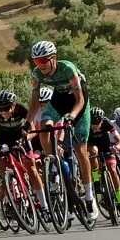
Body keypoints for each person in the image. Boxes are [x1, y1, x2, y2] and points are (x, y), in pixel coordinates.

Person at [25, 41, 97, 221]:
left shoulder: (67, 69)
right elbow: (34, 102)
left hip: (78, 101)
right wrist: (27, 122)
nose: (39, 65)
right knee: (44, 123)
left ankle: (89, 197)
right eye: (36, 61)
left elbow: (80, 99)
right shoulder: (36, 74)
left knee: (81, 150)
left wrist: (72, 116)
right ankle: (52, 161)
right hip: (59, 99)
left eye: (43, 61)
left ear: (53, 58)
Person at [0, 90, 47, 211]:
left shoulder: (21, 109)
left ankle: (44, 205)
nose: (3, 112)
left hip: (21, 138)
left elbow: (33, 128)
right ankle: (12, 199)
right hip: (4, 139)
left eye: (6, 108)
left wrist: (26, 138)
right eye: (0, 109)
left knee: (32, 168)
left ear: (13, 105)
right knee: (2, 169)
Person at [88, 107, 120, 212]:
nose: (96, 125)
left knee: (113, 170)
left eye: (98, 122)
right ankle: (96, 182)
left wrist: (117, 147)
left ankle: (119, 201)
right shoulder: (86, 125)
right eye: (93, 122)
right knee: (93, 153)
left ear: (102, 120)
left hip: (106, 148)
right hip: (92, 146)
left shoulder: (106, 123)